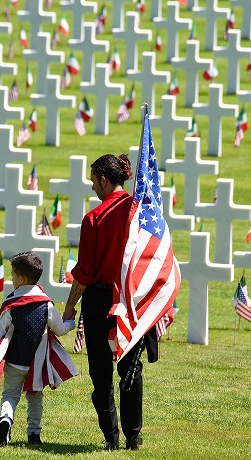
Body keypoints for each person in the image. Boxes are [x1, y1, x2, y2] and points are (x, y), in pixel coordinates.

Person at [62, 153, 158, 451]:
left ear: (104, 180)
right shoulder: (142, 210)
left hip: (102, 299)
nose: (92, 187)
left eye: (93, 181)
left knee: (101, 371)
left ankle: (111, 437)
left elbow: (86, 272)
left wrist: (69, 305)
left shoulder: (94, 219)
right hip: (134, 297)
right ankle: (134, 436)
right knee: (131, 368)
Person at [0, 252, 77, 447]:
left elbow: (2, 334)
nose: (11, 279)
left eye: (12, 275)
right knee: (35, 397)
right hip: (36, 363)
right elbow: (59, 330)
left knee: (10, 395)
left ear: (21, 278)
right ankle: (34, 434)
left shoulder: (10, 305)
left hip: (14, 362)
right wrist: (70, 322)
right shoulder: (47, 304)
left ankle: (6, 421)